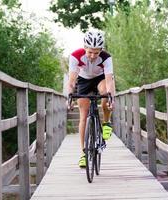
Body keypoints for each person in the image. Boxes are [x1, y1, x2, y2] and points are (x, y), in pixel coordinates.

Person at [67, 30, 116, 168]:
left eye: (96, 52)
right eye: (90, 52)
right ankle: (83, 153)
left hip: (100, 79)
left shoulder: (106, 58)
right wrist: (69, 97)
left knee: (105, 92)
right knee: (83, 116)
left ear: (101, 50)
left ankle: (106, 122)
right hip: (83, 80)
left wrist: (112, 98)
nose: (93, 56)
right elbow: (71, 81)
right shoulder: (75, 56)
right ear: (84, 48)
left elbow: (109, 81)